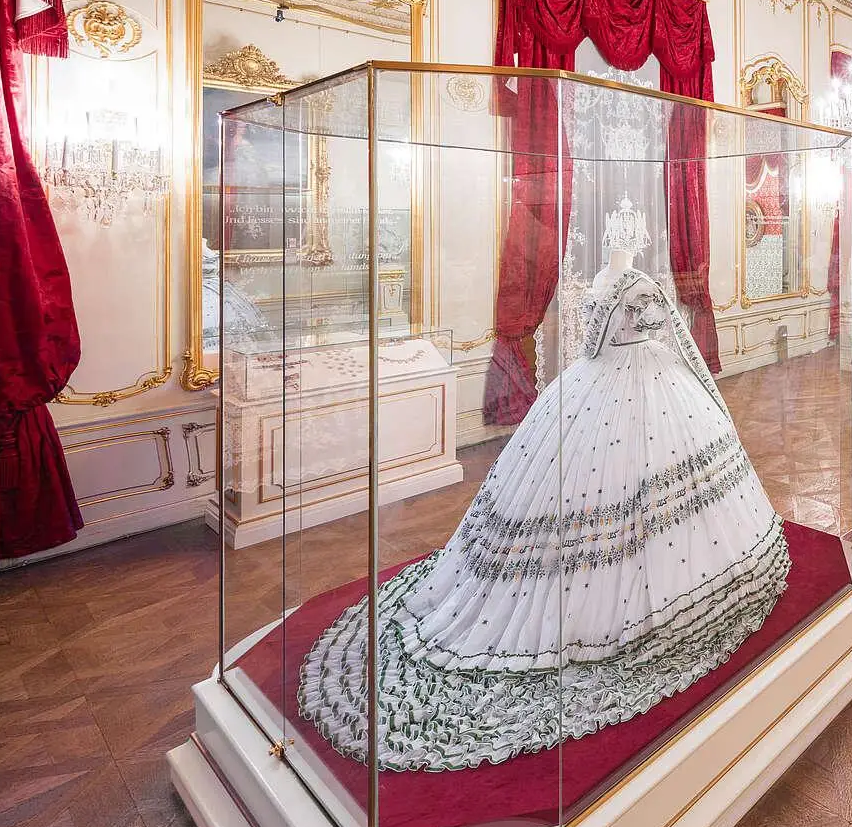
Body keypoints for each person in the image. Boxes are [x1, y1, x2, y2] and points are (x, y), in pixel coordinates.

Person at [297, 234, 788, 771]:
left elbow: (614, 336)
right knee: (600, 494)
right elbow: (644, 334)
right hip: (614, 385)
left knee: (649, 493)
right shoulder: (629, 284)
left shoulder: (624, 284)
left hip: (630, 384)